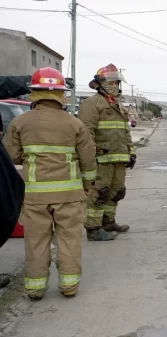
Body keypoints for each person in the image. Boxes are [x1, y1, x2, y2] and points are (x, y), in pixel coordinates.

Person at [2, 67, 98, 300]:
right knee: (69, 240)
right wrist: (87, 184)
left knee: (36, 241)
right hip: (69, 196)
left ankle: (35, 289)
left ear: (34, 93)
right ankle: (69, 286)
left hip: (35, 197)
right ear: (60, 94)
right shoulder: (74, 124)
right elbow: (88, 159)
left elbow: (11, 156)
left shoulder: (19, 122)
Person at [79, 64, 136, 237]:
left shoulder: (117, 105)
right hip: (101, 159)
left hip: (119, 158)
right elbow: (86, 132)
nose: (116, 86)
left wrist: (131, 152)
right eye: (113, 82)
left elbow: (124, 132)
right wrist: (91, 153)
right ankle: (93, 229)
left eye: (118, 83)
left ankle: (108, 223)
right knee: (100, 193)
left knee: (116, 192)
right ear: (102, 83)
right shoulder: (92, 104)